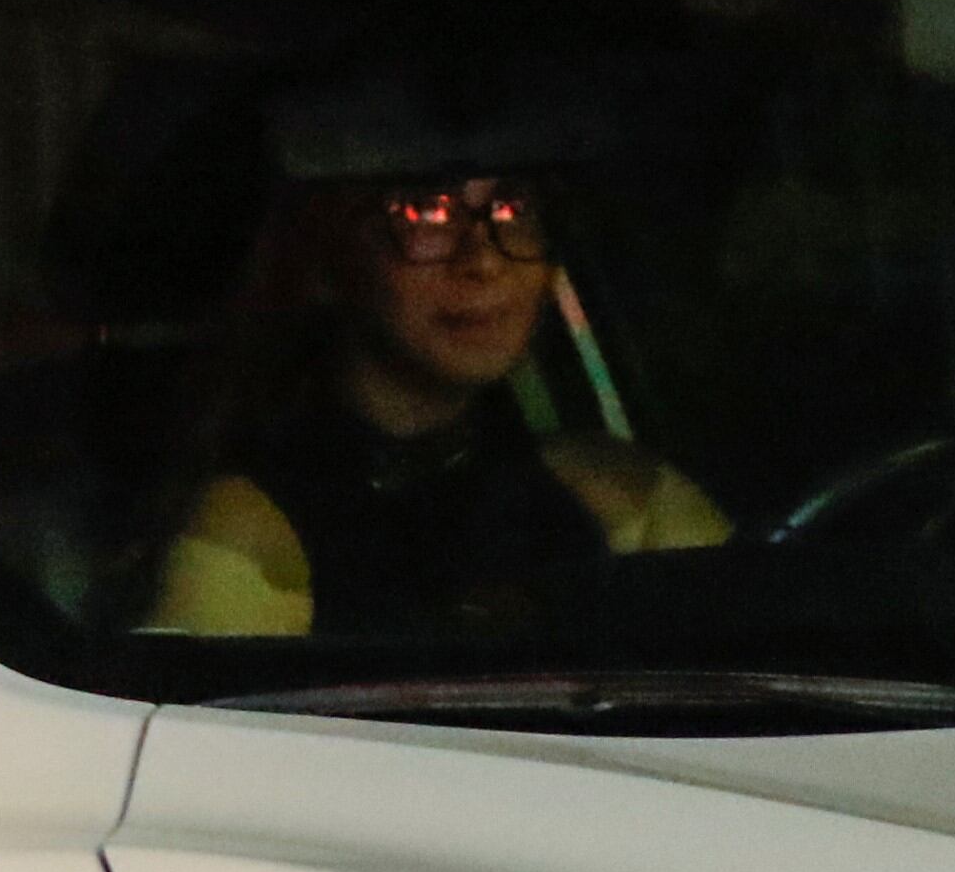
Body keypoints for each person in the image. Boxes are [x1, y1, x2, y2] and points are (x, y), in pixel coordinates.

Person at [145, 169, 723, 638]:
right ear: (330, 257)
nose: (483, 259)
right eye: (428, 210)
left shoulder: (618, 498)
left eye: (511, 206)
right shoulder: (245, 535)